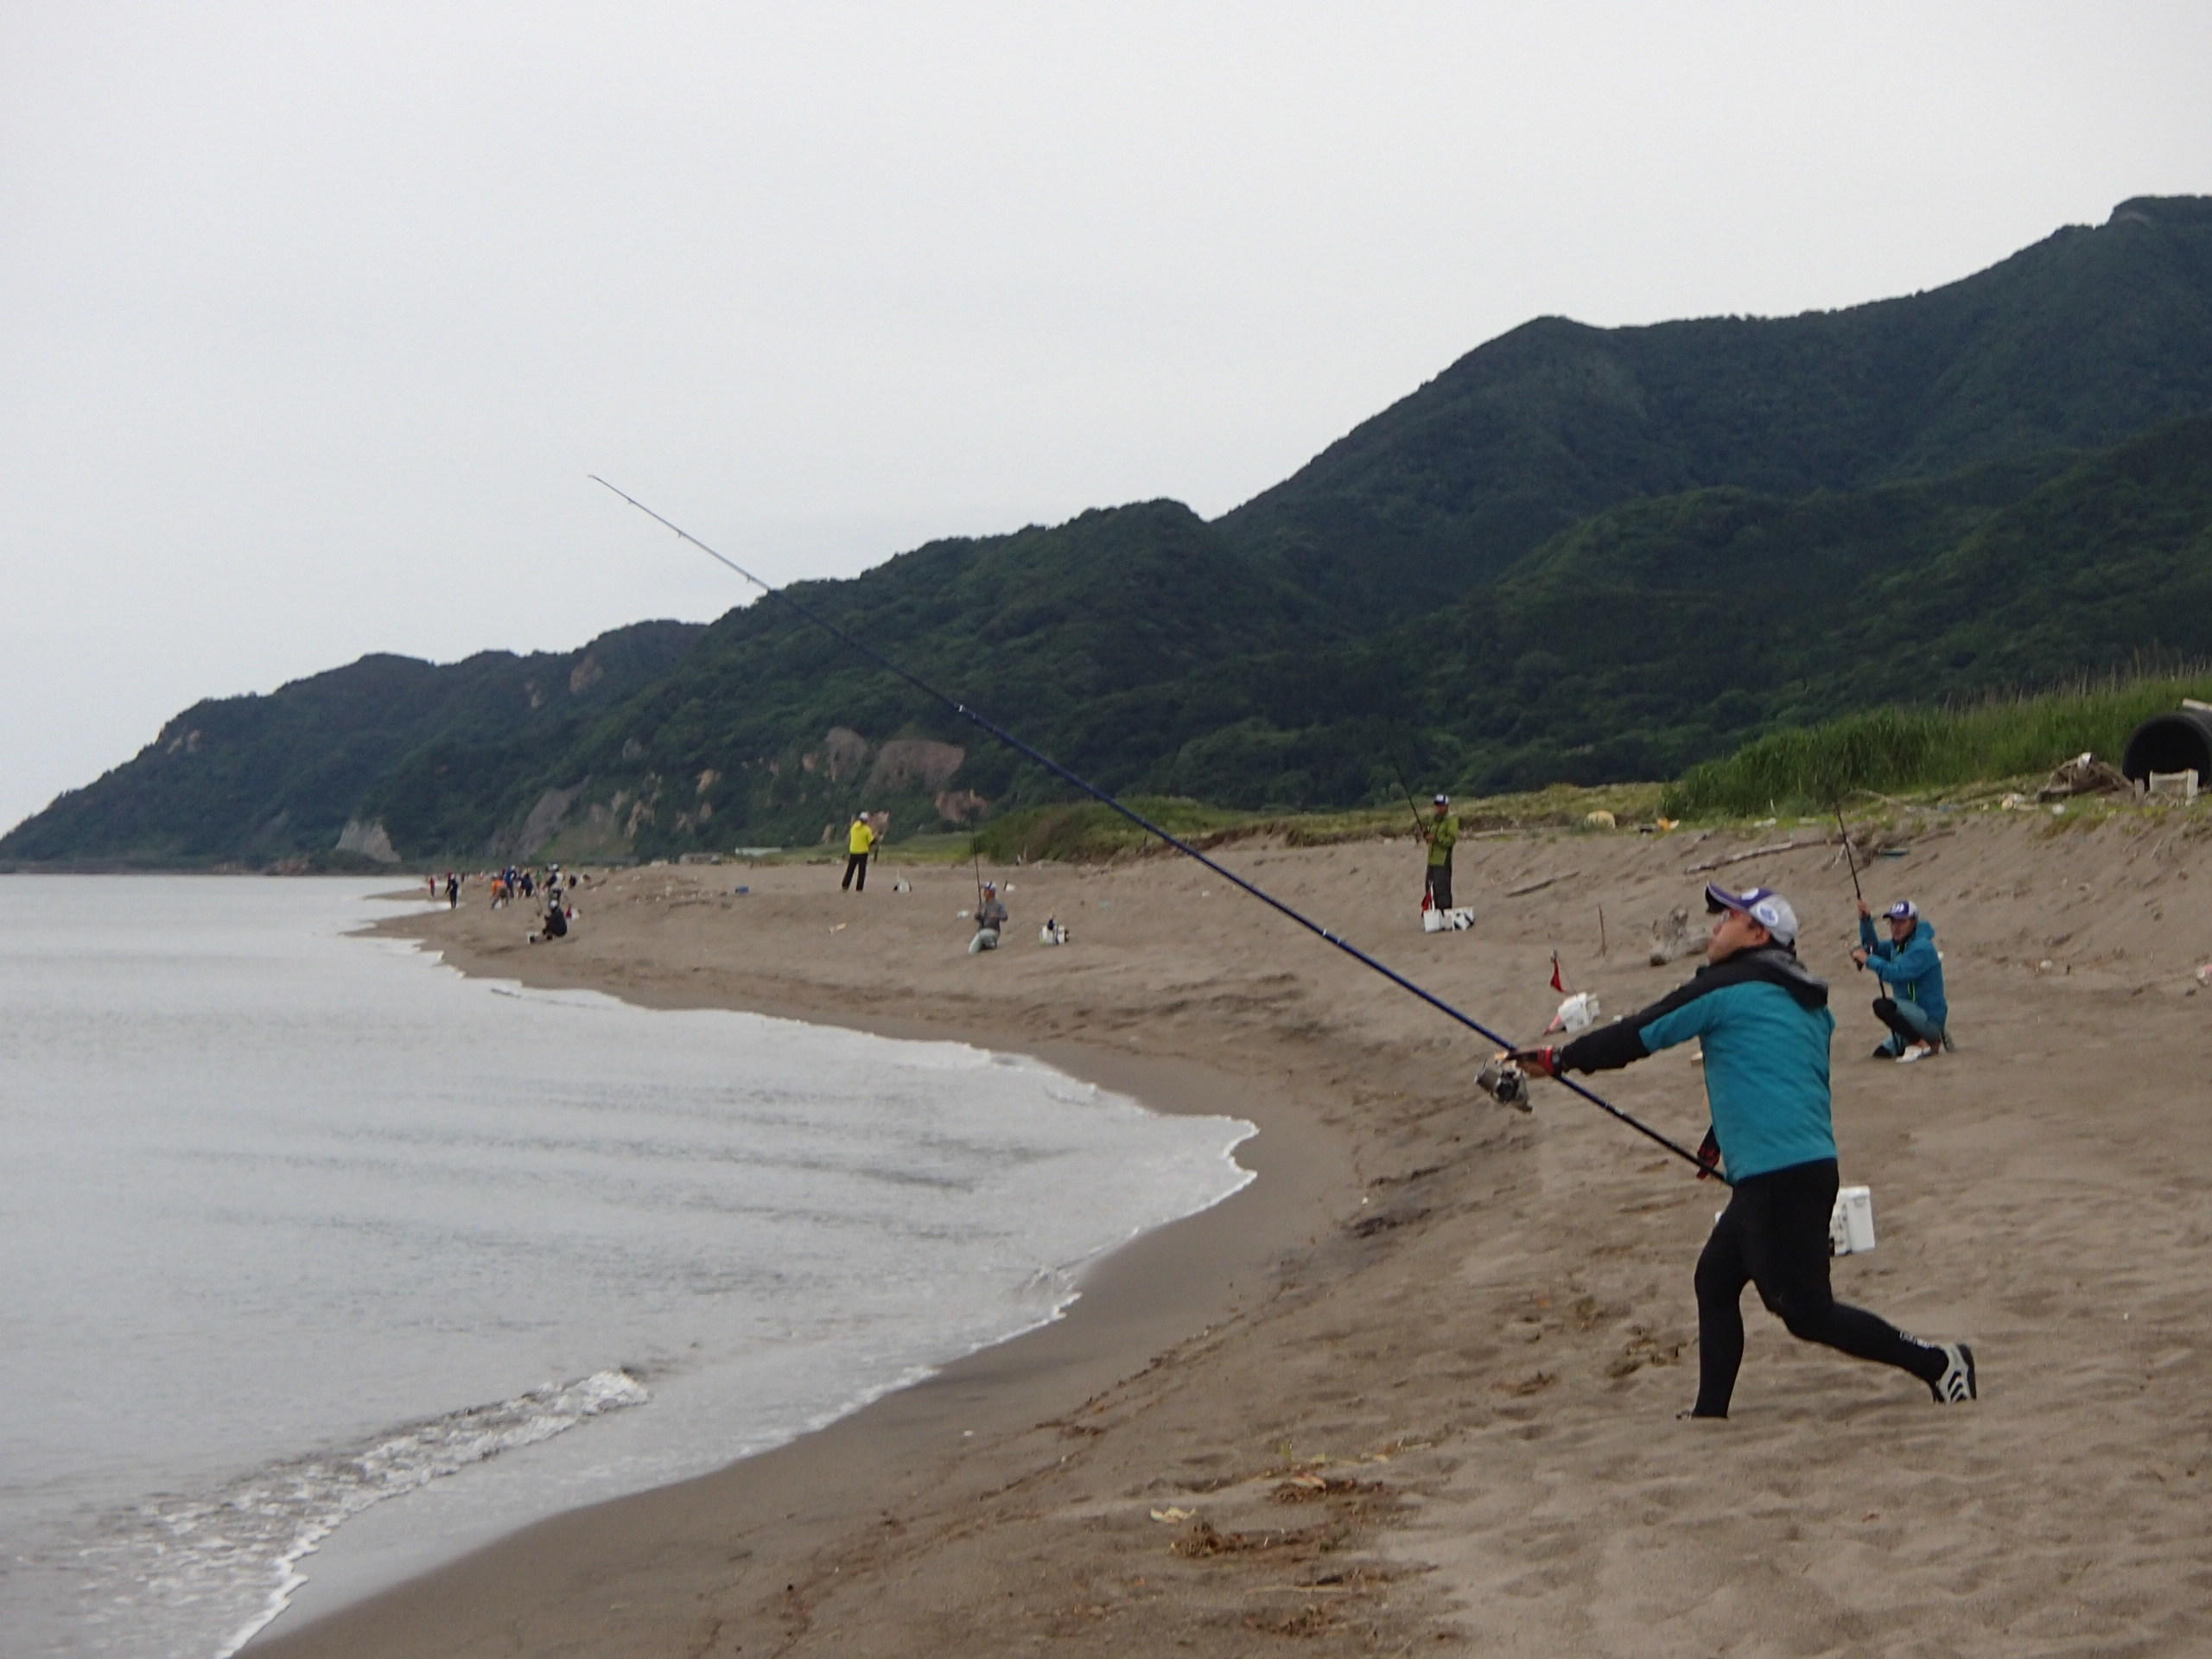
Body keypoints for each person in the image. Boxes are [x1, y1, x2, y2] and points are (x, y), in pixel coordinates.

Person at [1510, 883, 1977, 1418]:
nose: (1714, 928)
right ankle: (1710, 1414)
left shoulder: (1728, 987)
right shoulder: (1802, 998)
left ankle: (1939, 1363)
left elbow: (1643, 1032)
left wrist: (1561, 1058)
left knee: (1805, 1313)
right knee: (1715, 1278)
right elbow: (1772, 1077)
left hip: (1779, 1177)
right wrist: (1718, 1139)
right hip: (1793, 1169)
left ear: (1758, 933)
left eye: (1727, 918)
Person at [1852, 899, 1949, 1062]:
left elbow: (1897, 973)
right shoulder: (1896, 945)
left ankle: (1923, 1044)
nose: (1896, 926)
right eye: (1893, 922)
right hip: (1908, 1019)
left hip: (1928, 1019)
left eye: (1902, 922)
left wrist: (1868, 960)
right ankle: (1919, 1041)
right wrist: (1866, 921)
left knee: (1882, 1006)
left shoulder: (1922, 948)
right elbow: (1872, 949)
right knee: (1880, 1055)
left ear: (1914, 922)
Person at [1424, 793, 1459, 910]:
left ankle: (1445, 912)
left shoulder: (1451, 820)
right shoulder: (1433, 820)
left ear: (1447, 806)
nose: (1438, 808)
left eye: (1441, 805)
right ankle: (1434, 912)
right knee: (1430, 888)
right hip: (1432, 859)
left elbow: (1451, 840)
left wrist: (1437, 839)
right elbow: (1430, 834)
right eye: (1437, 805)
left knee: (1442, 888)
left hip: (1443, 859)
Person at [969, 882, 1007, 954]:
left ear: (992, 892)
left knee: (983, 934)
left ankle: (991, 945)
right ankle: (985, 946)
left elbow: (1005, 917)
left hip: (993, 931)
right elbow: (977, 918)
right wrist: (978, 914)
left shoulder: (999, 904)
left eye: (986, 890)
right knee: (971, 951)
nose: (984, 892)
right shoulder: (983, 904)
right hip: (981, 931)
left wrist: (996, 915)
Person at [842, 812, 876, 892]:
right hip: (863, 853)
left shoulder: (853, 827)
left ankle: (845, 885)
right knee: (861, 871)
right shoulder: (867, 830)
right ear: (866, 821)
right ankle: (859, 888)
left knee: (850, 869)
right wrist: (875, 838)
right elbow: (871, 842)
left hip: (853, 851)